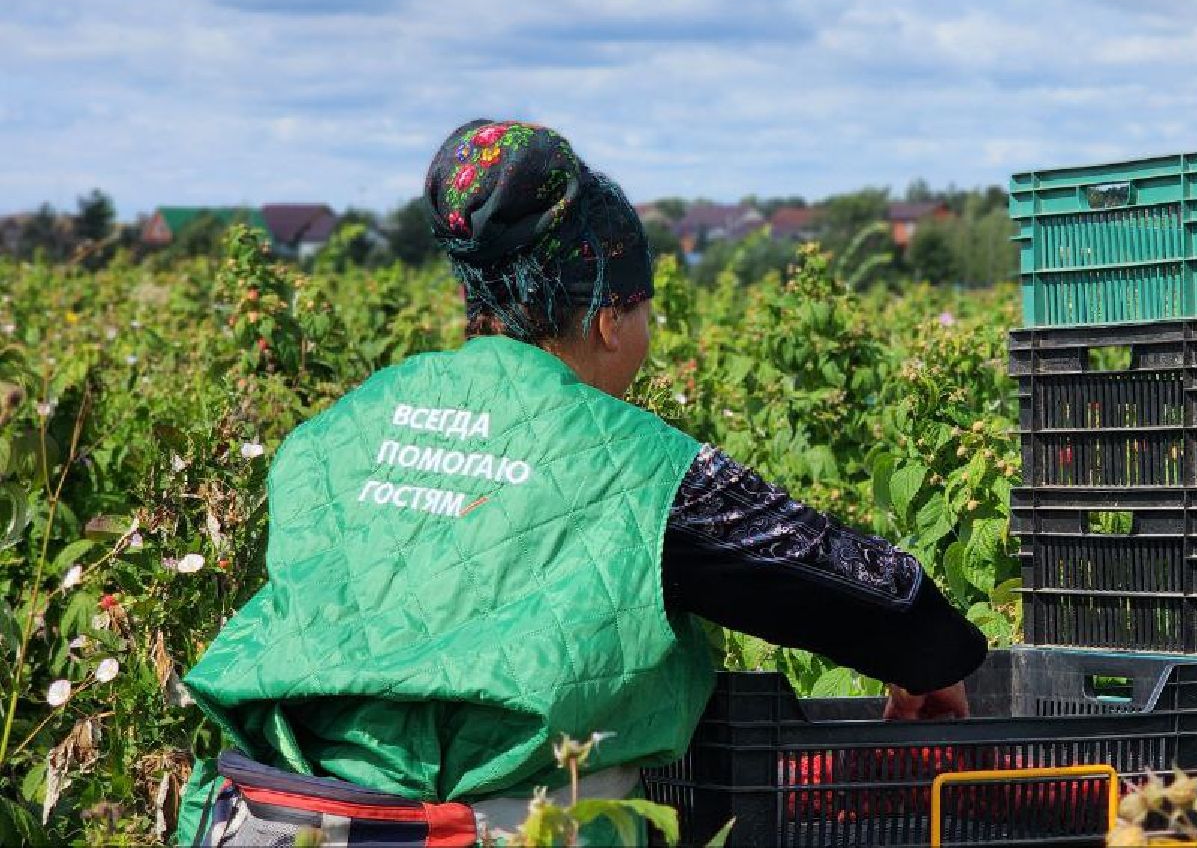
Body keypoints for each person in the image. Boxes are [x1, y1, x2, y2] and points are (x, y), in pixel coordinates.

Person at [174, 120, 986, 846]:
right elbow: (832, 572)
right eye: (642, 311)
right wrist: (931, 657)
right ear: (606, 317)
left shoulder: (336, 430)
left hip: (268, 819)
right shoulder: (639, 461)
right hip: (490, 830)